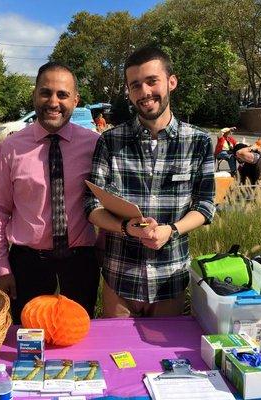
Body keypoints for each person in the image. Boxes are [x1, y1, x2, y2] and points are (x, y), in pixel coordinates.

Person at [84, 46, 215, 318]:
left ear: (171, 81)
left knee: (164, 360)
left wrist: (172, 230)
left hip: (170, 278)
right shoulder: (109, 141)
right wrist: (125, 228)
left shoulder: (198, 141)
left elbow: (205, 206)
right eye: (135, 85)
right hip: (120, 278)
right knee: (117, 358)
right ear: (128, 91)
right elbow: (91, 206)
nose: (144, 92)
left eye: (152, 81)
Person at [0, 62, 100, 323]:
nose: (53, 102)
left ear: (75, 99)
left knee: (78, 334)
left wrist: (102, 249)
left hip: (81, 263)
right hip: (28, 264)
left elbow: (107, 202)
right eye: (45, 92)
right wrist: (2, 267)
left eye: (62, 94)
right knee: (28, 339)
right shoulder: (10, 149)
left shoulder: (95, 146)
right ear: (34, 95)